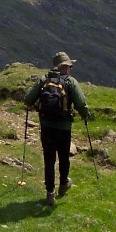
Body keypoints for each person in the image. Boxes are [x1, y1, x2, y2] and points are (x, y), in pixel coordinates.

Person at [24, 51, 91, 206]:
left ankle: (50, 193)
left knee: (49, 160)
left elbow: (28, 98)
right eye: (69, 65)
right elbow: (81, 103)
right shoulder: (70, 82)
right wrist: (86, 115)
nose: (71, 68)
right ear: (64, 66)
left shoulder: (44, 80)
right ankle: (63, 184)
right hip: (64, 127)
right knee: (63, 158)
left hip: (46, 127)